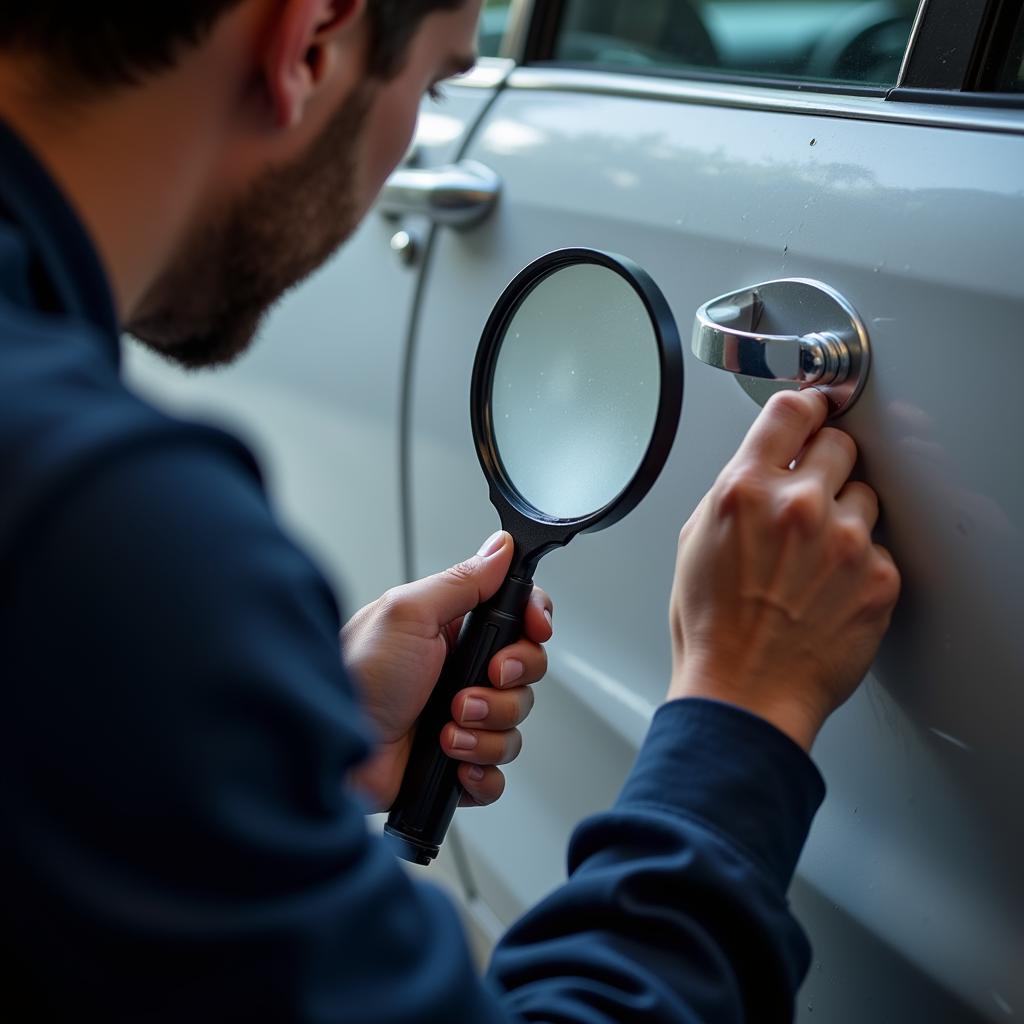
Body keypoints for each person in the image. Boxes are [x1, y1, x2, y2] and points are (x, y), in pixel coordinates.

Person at [0, 0, 900, 1020]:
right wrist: (742, 711)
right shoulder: (101, 529)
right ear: (310, 39)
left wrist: (270, 771)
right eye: (432, 88)